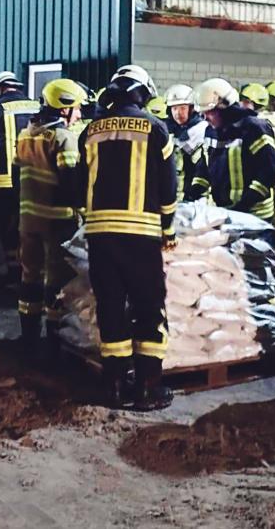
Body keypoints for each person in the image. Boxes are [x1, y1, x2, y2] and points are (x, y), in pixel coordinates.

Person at [75, 65, 177, 411]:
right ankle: (149, 388)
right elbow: (168, 186)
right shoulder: (156, 129)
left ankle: (115, 386)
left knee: (111, 308)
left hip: (100, 234)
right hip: (142, 234)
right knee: (149, 308)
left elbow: (79, 183)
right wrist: (170, 228)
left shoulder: (90, 130)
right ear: (142, 94)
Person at [14, 79, 87, 357]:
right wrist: (82, 208)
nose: (79, 114)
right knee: (57, 280)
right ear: (65, 108)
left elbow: (15, 177)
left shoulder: (26, 134)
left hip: (28, 218)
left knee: (30, 275)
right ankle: (55, 342)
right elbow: (70, 182)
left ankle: (28, 337)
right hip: (58, 221)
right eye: (77, 108)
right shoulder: (63, 138)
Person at [191, 78, 275, 224]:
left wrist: (243, 206)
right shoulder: (210, 131)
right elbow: (204, 168)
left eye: (209, 112)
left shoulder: (254, 128)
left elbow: (269, 173)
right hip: (224, 213)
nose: (205, 118)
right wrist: (193, 194)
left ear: (224, 108)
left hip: (254, 216)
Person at [0, 71, 40, 275]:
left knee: (2, 223)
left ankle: (4, 266)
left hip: (3, 178)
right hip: (31, 177)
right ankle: (25, 266)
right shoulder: (35, 105)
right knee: (25, 224)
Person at [163, 84, 209, 202]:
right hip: (173, 195)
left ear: (192, 109)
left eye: (183, 108)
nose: (178, 113)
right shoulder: (167, 131)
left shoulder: (201, 130)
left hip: (195, 196)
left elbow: (203, 167)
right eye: (174, 108)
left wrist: (194, 193)